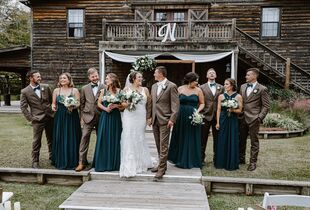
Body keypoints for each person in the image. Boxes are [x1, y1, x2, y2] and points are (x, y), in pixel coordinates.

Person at [119, 71, 154, 177]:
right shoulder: (126, 90)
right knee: (129, 136)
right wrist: (129, 103)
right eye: (139, 77)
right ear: (133, 78)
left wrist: (149, 117)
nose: (141, 78)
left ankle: (141, 161)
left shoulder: (145, 90)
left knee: (139, 137)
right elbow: (122, 104)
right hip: (129, 116)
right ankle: (130, 163)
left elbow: (149, 104)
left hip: (141, 116)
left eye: (141, 77)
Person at [168, 72, 205, 169]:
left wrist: (197, 111)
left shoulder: (199, 90)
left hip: (193, 116)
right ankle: (178, 158)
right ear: (190, 80)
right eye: (195, 80)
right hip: (180, 115)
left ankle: (192, 160)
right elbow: (175, 103)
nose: (197, 82)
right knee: (181, 135)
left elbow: (202, 103)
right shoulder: (180, 88)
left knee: (191, 137)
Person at [149, 66, 179, 181]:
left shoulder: (172, 86)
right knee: (158, 144)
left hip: (165, 119)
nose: (154, 75)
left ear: (161, 74)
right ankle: (162, 164)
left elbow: (175, 104)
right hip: (155, 119)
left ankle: (161, 169)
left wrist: (172, 118)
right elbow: (151, 103)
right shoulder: (154, 86)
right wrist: (150, 117)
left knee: (163, 145)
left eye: (155, 73)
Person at [20, 70, 54, 168]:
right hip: (37, 119)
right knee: (36, 141)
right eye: (37, 77)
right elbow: (23, 107)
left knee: (51, 138)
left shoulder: (46, 87)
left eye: (40, 76)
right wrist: (31, 118)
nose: (40, 78)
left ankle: (52, 157)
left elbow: (52, 101)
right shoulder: (25, 91)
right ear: (31, 78)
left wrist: (53, 112)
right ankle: (35, 161)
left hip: (50, 117)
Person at [239, 68, 270, 171]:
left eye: (248, 75)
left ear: (254, 76)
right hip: (242, 117)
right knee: (241, 140)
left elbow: (266, 106)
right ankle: (241, 159)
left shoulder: (262, 89)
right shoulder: (242, 87)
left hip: (254, 119)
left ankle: (253, 162)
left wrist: (259, 117)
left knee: (254, 142)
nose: (246, 76)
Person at [75, 68, 104, 172]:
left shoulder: (104, 86)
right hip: (88, 117)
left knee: (101, 139)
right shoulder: (84, 88)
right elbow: (82, 104)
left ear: (98, 75)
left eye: (96, 76)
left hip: (101, 117)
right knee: (84, 139)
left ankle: (99, 161)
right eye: (92, 77)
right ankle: (81, 162)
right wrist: (82, 118)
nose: (95, 78)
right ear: (89, 77)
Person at [93, 73, 122, 172]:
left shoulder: (119, 91)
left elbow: (123, 105)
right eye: (105, 79)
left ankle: (114, 163)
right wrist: (106, 109)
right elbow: (98, 103)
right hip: (105, 117)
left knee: (115, 137)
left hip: (115, 117)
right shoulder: (103, 91)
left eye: (107, 78)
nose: (105, 80)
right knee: (104, 137)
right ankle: (103, 162)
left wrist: (116, 106)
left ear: (113, 80)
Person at [51, 72, 81, 170]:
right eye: (61, 78)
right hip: (60, 116)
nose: (62, 80)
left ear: (69, 79)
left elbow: (78, 103)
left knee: (72, 135)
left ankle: (73, 160)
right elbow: (53, 103)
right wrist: (54, 107)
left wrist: (72, 105)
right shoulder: (56, 90)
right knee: (60, 135)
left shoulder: (74, 90)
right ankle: (59, 158)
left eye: (64, 78)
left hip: (72, 115)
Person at [215, 78, 243, 170]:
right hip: (223, 119)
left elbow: (240, 110)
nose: (224, 86)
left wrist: (232, 110)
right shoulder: (221, 96)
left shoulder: (238, 96)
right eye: (224, 84)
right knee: (222, 139)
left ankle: (231, 162)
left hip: (233, 120)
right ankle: (221, 162)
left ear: (232, 85)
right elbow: (218, 109)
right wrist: (218, 122)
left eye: (226, 84)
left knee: (232, 139)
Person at [200, 68, 224, 165]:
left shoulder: (221, 87)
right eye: (209, 73)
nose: (212, 74)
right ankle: (201, 159)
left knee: (217, 139)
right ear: (206, 76)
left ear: (216, 75)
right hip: (205, 115)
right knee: (202, 139)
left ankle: (217, 159)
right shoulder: (201, 87)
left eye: (213, 73)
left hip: (217, 117)